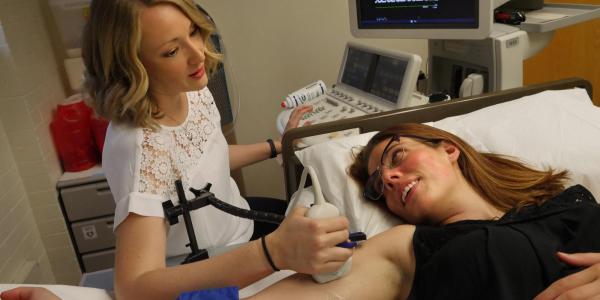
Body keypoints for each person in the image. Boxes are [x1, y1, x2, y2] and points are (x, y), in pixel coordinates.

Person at [81, 0, 351, 299]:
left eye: (194, 32)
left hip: (240, 223)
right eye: (172, 51)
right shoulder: (139, 148)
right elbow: (133, 289)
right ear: (129, 66)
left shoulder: (190, 90)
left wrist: (279, 146)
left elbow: (205, 160)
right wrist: (272, 253)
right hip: (210, 262)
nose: (199, 55)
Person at [244, 123, 600, 299]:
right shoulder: (406, 247)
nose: (389, 179)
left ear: (449, 149)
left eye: (396, 158)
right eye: (378, 188)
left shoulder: (570, 202)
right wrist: (271, 253)